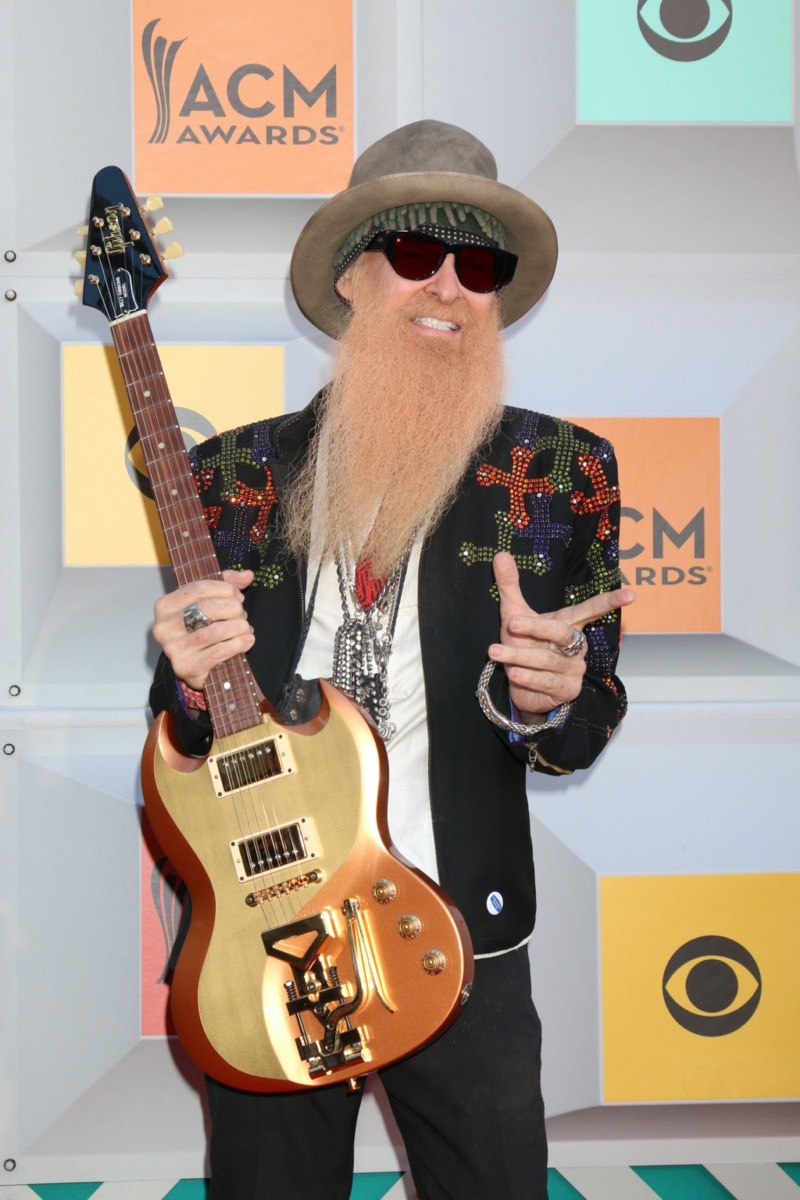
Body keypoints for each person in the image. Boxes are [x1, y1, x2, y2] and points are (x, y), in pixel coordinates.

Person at [149, 119, 633, 1200]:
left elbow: (585, 713)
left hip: (463, 929)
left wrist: (550, 703)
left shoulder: (559, 471)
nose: (448, 286)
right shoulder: (230, 476)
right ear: (354, 276)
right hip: (265, 930)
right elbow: (183, 729)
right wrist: (185, 679)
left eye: (480, 265)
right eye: (416, 253)